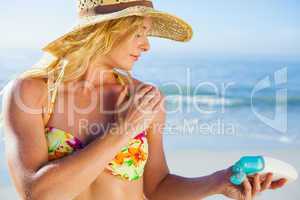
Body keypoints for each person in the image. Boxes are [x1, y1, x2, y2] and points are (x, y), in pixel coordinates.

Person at [1, 0, 287, 200]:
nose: (146, 45)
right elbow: (35, 193)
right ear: (105, 31)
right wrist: (124, 128)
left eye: (147, 35)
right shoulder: (31, 92)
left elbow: (157, 187)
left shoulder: (146, 98)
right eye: (138, 33)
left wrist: (218, 182)